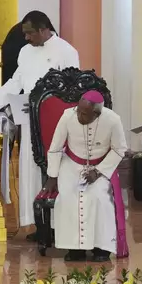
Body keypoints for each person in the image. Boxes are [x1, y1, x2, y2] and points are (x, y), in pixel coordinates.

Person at [0, 11, 79, 235]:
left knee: (55, 170)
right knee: (29, 169)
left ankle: (58, 226)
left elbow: (71, 89)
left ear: (43, 29)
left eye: (29, 33)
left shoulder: (66, 51)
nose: (26, 38)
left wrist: (45, 104)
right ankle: (38, 223)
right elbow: (15, 82)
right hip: (29, 121)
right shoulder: (25, 52)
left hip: (55, 123)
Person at [43, 91, 128, 262]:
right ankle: (74, 249)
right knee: (67, 197)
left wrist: (98, 172)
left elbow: (120, 149)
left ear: (96, 113)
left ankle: (101, 247)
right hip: (71, 165)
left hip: (101, 167)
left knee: (99, 197)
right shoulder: (68, 116)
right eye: (78, 111)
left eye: (84, 114)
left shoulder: (112, 120)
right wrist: (52, 176)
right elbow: (55, 148)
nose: (79, 116)